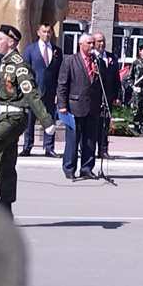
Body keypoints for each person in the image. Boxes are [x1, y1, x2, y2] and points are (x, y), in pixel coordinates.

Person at [0, 25, 56, 213]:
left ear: (11, 42)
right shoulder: (6, 63)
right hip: (5, 116)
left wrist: (46, 121)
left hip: (14, 117)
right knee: (6, 163)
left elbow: (31, 94)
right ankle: (6, 209)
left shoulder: (19, 66)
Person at [57, 33, 102, 179]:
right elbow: (62, 84)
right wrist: (62, 105)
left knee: (90, 140)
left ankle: (87, 168)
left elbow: (100, 84)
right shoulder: (70, 60)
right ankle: (69, 168)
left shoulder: (97, 61)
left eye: (93, 43)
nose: (92, 46)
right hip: (74, 106)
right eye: (89, 43)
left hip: (93, 107)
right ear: (81, 44)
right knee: (73, 140)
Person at [20, 23, 62, 157]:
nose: (47, 34)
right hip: (33, 92)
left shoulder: (57, 51)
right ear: (38, 32)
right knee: (30, 121)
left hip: (50, 92)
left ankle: (49, 147)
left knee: (49, 120)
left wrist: (58, 92)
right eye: (44, 31)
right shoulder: (30, 50)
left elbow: (59, 73)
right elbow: (25, 71)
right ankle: (27, 147)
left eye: (49, 32)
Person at [92, 32, 120, 159]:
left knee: (105, 124)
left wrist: (117, 96)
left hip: (107, 96)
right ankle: (89, 149)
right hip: (94, 98)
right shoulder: (91, 57)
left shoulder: (111, 57)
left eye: (103, 41)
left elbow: (116, 78)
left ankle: (103, 149)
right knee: (93, 125)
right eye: (98, 41)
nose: (101, 43)